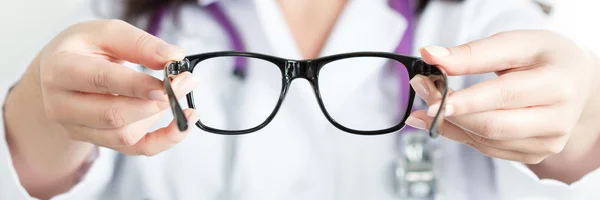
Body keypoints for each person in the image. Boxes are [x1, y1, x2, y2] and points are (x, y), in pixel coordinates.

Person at [1, 0, 599, 199]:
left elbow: (578, 150)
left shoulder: (480, 19)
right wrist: (42, 98)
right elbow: (35, 170)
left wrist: (580, 102)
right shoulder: (127, 30)